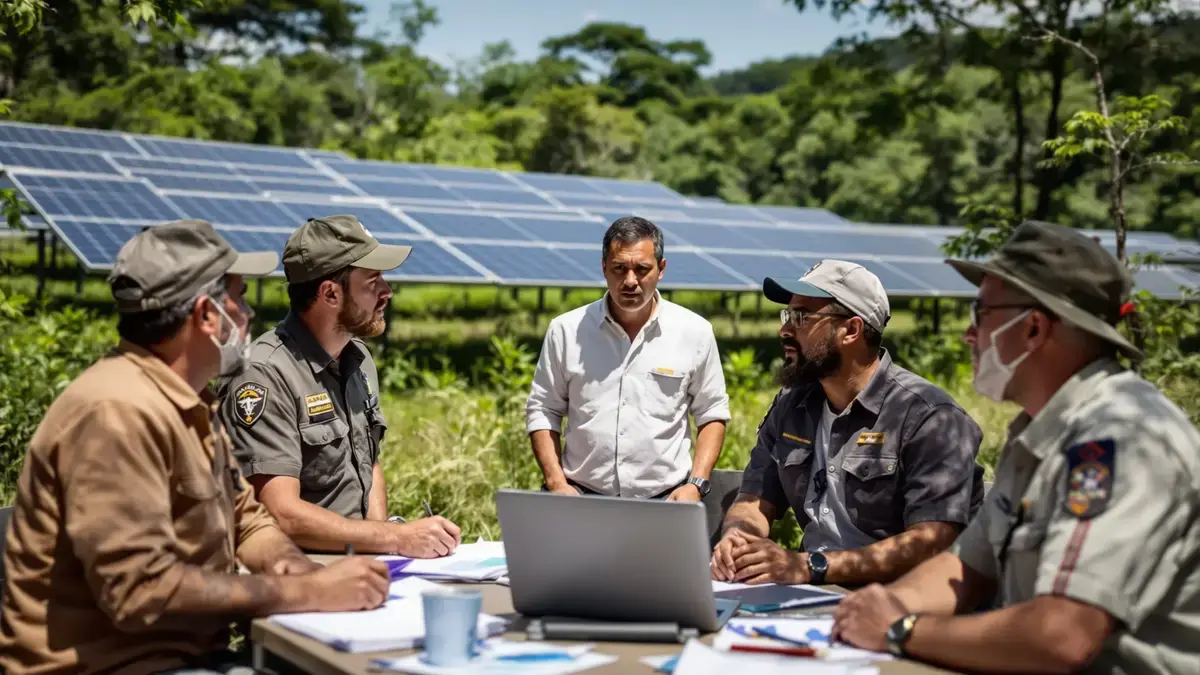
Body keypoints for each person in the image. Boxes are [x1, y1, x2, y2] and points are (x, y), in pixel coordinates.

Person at [0, 221, 391, 675]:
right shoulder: (116, 413)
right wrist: (303, 593)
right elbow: (139, 591)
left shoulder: (188, 401)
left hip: (186, 657)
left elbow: (248, 522)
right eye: (239, 298)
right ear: (207, 316)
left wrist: (304, 573)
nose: (248, 314)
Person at [831, 221, 1200, 675]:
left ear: (1033, 329)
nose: (969, 334)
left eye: (981, 313)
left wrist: (899, 629)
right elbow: (966, 568)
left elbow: (1062, 635)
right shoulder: (1042, 432)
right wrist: (878, 607)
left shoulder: (1121, 439)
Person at [711, 259, 986, 586]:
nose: (785, 330)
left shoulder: (929, 416)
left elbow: (930, 541)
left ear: (851, 330)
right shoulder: (791, 404)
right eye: (787, 316)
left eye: (801, 318)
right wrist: (737, 539)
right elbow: (754, 499)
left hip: (899, 596)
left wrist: (811, 566)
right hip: (810, 589)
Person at [218, 214, 460, 557]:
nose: (387, 292)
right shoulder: (265, 374)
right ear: (330, 293)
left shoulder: (358, 359)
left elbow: (368, 461)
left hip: (361, 557)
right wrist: (394, 538)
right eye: (373, 281)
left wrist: (383, 544)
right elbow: (280, 514)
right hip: (304, 568)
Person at [525, 216, 731, 500]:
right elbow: (543, 409)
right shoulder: (566, 331)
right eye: (619, 268)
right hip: (580, 497)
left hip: (666, 501)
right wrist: (556, 483)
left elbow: (712, 413)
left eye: (642, 269)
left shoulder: (694, 332)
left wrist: (696, 483)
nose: (630, 281)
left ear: (661, 269)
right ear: (604, 267)